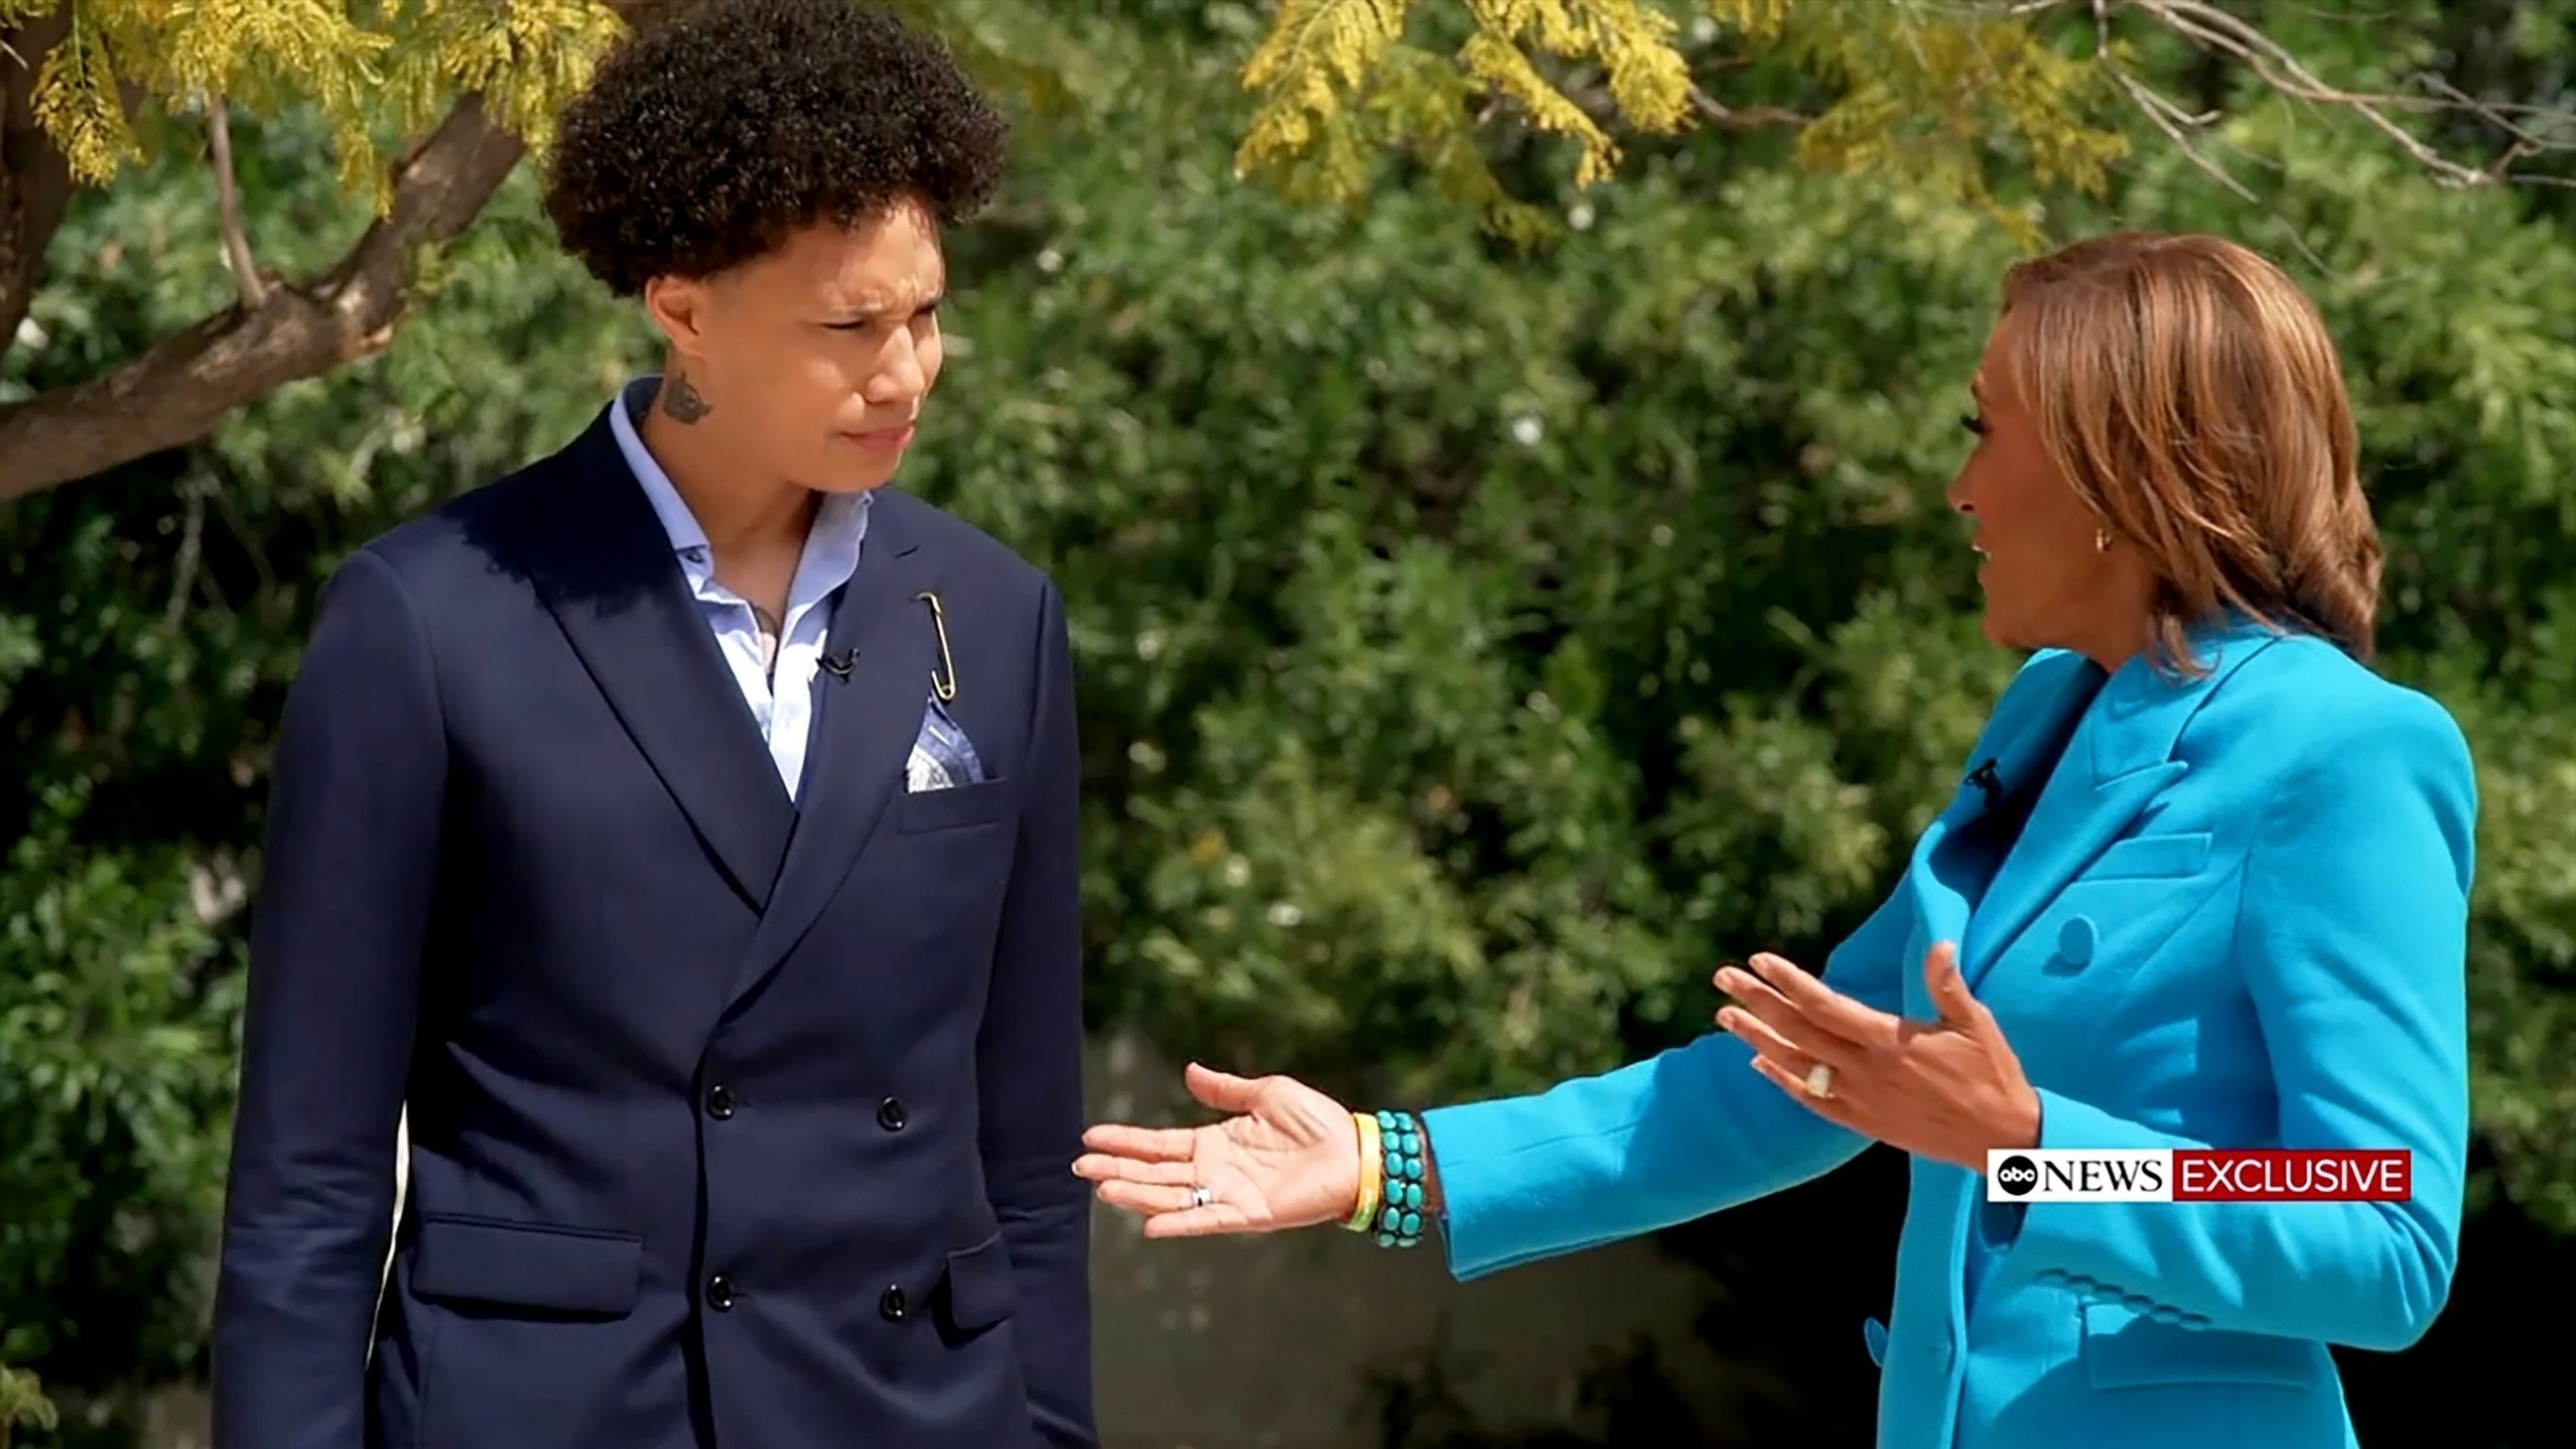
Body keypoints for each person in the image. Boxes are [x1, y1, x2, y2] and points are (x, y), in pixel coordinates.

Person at [1077, 231, 2474, 1449]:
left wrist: (2041, 1151)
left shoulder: (2349, 753)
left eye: (1986, 432)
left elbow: (2383, 1225)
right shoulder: (2055, 712)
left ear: (2119, 474)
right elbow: (1781, 1079)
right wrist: (1390, 1168)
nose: (1961, 490)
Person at [211, 3, 1093, 1447]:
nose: (909, 371)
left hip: (913, 1411)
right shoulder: (428, 620)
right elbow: (309, 1179)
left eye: (927, 312)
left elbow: (1029, 1151)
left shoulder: (998, 621)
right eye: (850, 325)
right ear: (680, 307)